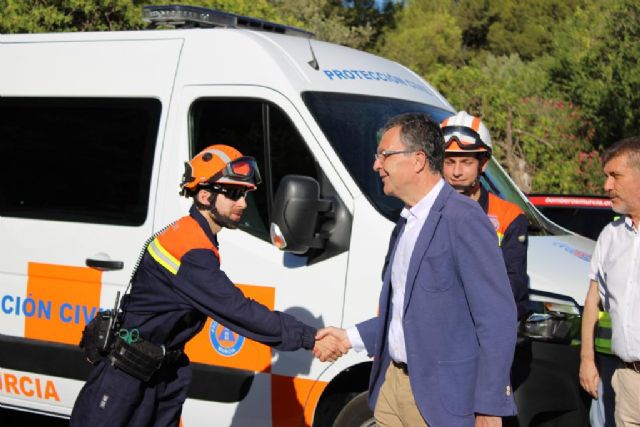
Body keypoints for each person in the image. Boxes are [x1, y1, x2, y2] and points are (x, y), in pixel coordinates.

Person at [71, 144, 342, 427]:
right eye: (234, 194)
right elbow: (238, 310)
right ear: (204, 195)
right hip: (127, 379)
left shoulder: (195, 237)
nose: (243, 203)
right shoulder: (188, 249)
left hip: (158, 373)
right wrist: (309, 337)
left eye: (245, 194)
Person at [317, 113, 517, 426]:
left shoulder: (463, 218)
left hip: (440, 401)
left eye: (384, 155)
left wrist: (490, 404)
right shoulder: (406, 220)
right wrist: (348, 338)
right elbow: (404, 313)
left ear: (418, 160)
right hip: (392, 387)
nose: (376, 165)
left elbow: (497, 317)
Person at [440, 111, 529, 322]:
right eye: (449, 161)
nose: (456, 171)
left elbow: (512, 286)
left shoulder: (509, 216)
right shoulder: (421, 211)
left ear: (484, 163)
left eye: (466, 162)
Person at [579, 136, 640, 426]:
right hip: (627, 380)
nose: (607, 187)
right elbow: (593, 300)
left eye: (615, 176)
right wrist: (587, 360)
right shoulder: (611, 236)